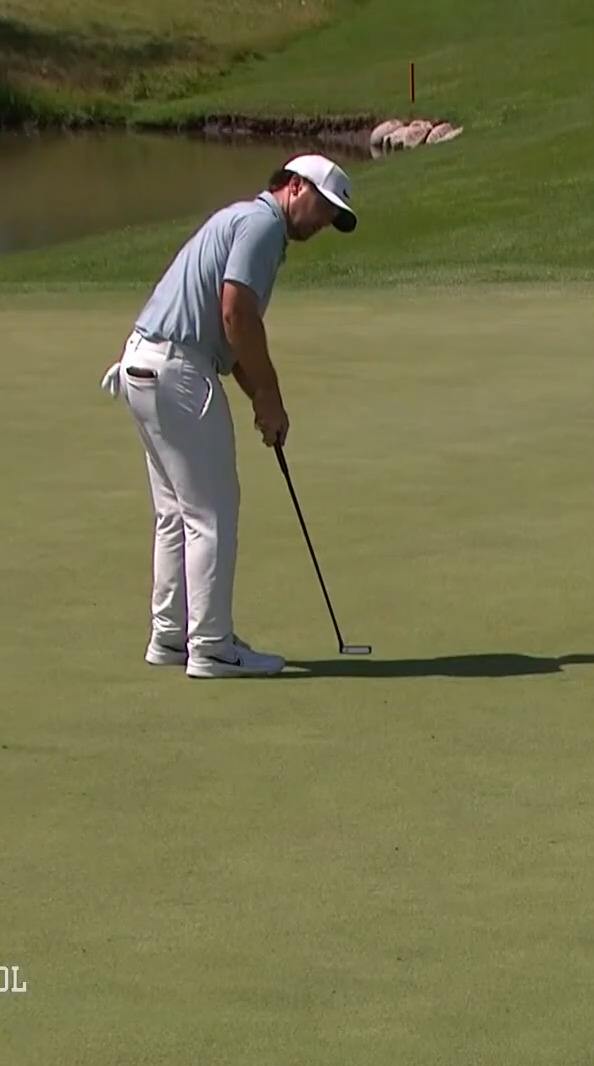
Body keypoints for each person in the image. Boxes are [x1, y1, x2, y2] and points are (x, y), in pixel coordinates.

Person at [99, 153, 358, 678]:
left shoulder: (245, 220)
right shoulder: (262, 225)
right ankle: (212, 646)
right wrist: (271, 395)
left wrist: (260, 398)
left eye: (334, 216)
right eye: (323, 206)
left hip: (144, 364)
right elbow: (236, 314)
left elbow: (231, 335)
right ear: (294, 186)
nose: (325, 220)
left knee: (177, 513)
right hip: (177, 369)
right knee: (211, 514)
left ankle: (171, 636)